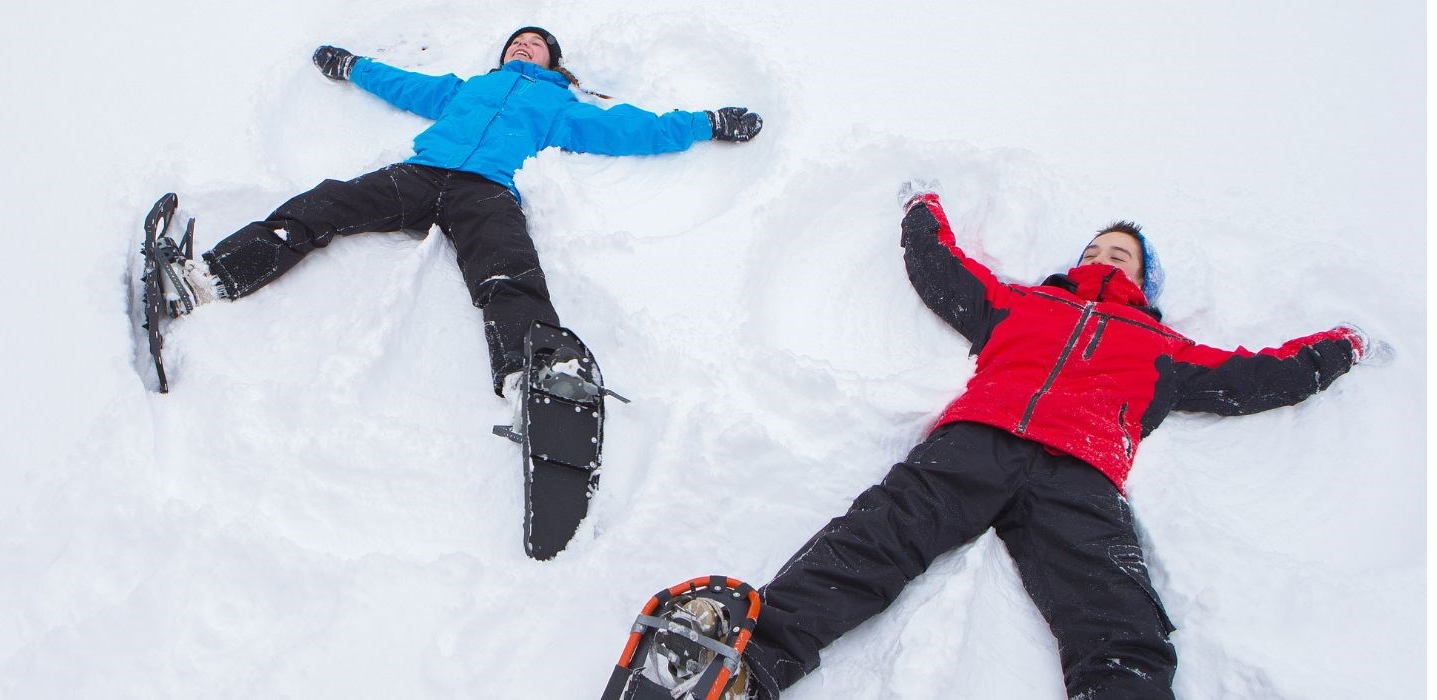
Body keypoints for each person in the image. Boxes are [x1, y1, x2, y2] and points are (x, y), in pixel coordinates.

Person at [645, 181, 1379, 700]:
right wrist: (922, 209)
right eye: (1098, 245)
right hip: (976, 441)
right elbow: (944, 274)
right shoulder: (1023, 304)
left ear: (1144, 278)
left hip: (1081, 472)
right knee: (873, 540)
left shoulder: (1162, 347)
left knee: (1115, 610)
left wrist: (1337, 350)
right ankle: (745, 668)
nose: (1105, 255)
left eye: (1120, 253)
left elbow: (1257, 378)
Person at [165, 27, 763, 396]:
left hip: (487, 191)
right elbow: (402, 83)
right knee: (325, 203)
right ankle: (214, 276)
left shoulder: (560, 106)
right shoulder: (466, 88)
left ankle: (536, 376)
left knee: (508, 271)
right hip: (420, 176)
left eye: (535, 44)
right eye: (516, 42)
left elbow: (636, 129)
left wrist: (707, 124)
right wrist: (353, 66)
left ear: (555, 63)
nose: (523, 46)